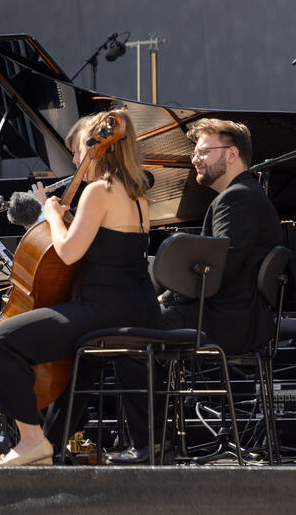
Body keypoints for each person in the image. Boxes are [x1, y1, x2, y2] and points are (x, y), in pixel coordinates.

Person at [0, 111, 159, 466]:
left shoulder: (98, 190)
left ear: (97, 150)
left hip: (106, 309)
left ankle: (31, 441)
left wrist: (52, 216)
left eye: (77, 152)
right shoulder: (135, 192)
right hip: (140, 305)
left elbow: (70, 251)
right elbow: (104, 246)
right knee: (73, 360)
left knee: (0, 341)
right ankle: (52, 444)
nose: (75, 160)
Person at [110, 118, 284, 463]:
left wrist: (165, 296)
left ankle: (151, 444)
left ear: (232, 154)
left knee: (123, 334)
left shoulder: (238, 200)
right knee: (134, 324)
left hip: (225, 321)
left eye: (203, 151)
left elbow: (216, 270)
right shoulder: (244, 196)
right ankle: (156, 440)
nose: (194, 158)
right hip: (232, 315)